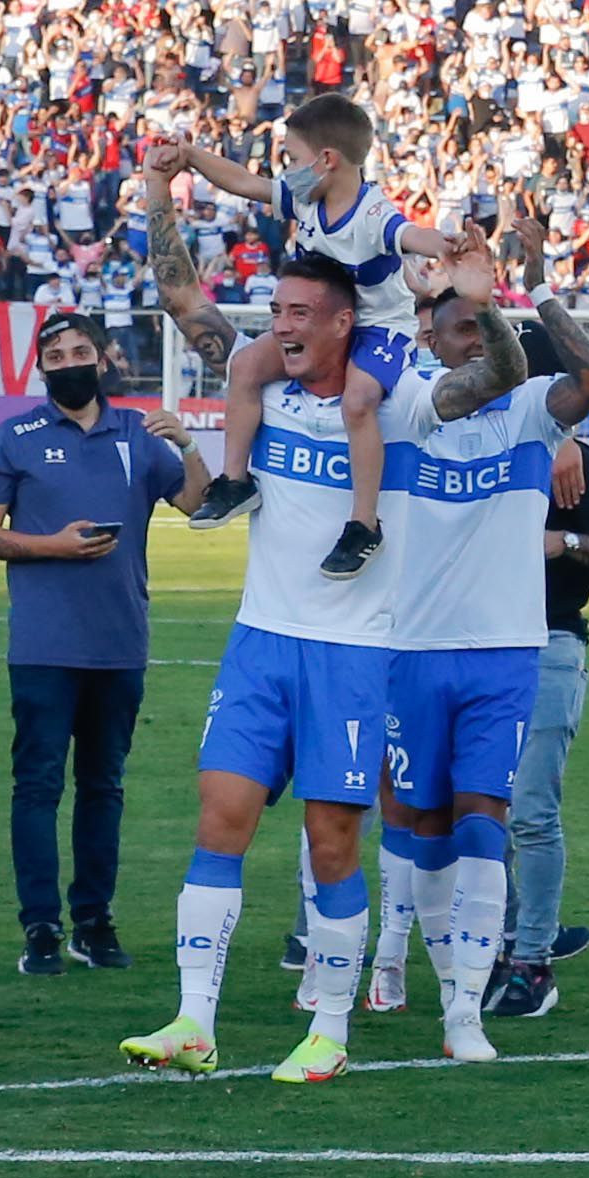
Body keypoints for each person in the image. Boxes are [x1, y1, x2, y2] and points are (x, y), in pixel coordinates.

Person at [121, 254, 400, 1085]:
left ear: (344, 322)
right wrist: (160, 188)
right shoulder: (261, 383)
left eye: (300, 313)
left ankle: (331, 1029)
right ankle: (193, 1022)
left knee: (331, 840)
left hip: (351, 649)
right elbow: (180, 296)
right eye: (275, 310)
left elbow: (488, 378)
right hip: (260, 639)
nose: (282, 326)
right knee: (221, 814)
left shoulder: (396, 399)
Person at [363, 232, 589, 1064]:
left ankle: (464, 1012)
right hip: (413, 646)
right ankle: (410, 966)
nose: (472, 338)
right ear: (429, 338)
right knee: (419, 830)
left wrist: (516, 293)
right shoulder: (405, 404)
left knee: (482, 825)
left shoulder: (533, 408)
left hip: (506, 650)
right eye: (456, 325)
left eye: (482, 326)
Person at [0, 309, 214, 977]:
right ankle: (41, 926)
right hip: (44, 645)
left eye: (81, 351)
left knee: (104, 787)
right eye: (56, 355)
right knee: (38, 786)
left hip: (119, 642)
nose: (70, 362)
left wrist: (189, 445)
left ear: (102, 359)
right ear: (41, 368)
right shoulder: (15, 436)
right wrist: (54, 546)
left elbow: (199, 505)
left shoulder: (137, 432)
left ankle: (94, 921)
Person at [164, 97, 446, 578]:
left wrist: (452, 247)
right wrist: (191, 157)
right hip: (321, 325)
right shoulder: (305, 197)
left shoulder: (372, 213)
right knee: (246, 366)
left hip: (377, 327)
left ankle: (363, 523)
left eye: (294, 159)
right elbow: (244, 182)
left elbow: (414, 236)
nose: (288, 171)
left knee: (358, 401)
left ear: (327, 160)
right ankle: (235, 481)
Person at [494, 426, 589, 1017]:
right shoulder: (466, 438)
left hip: (549, 644)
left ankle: (533, 962)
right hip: (474, 646)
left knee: (529, 812)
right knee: (474, 815)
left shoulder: (575, 464)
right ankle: (503, 948)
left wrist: (566, 541)